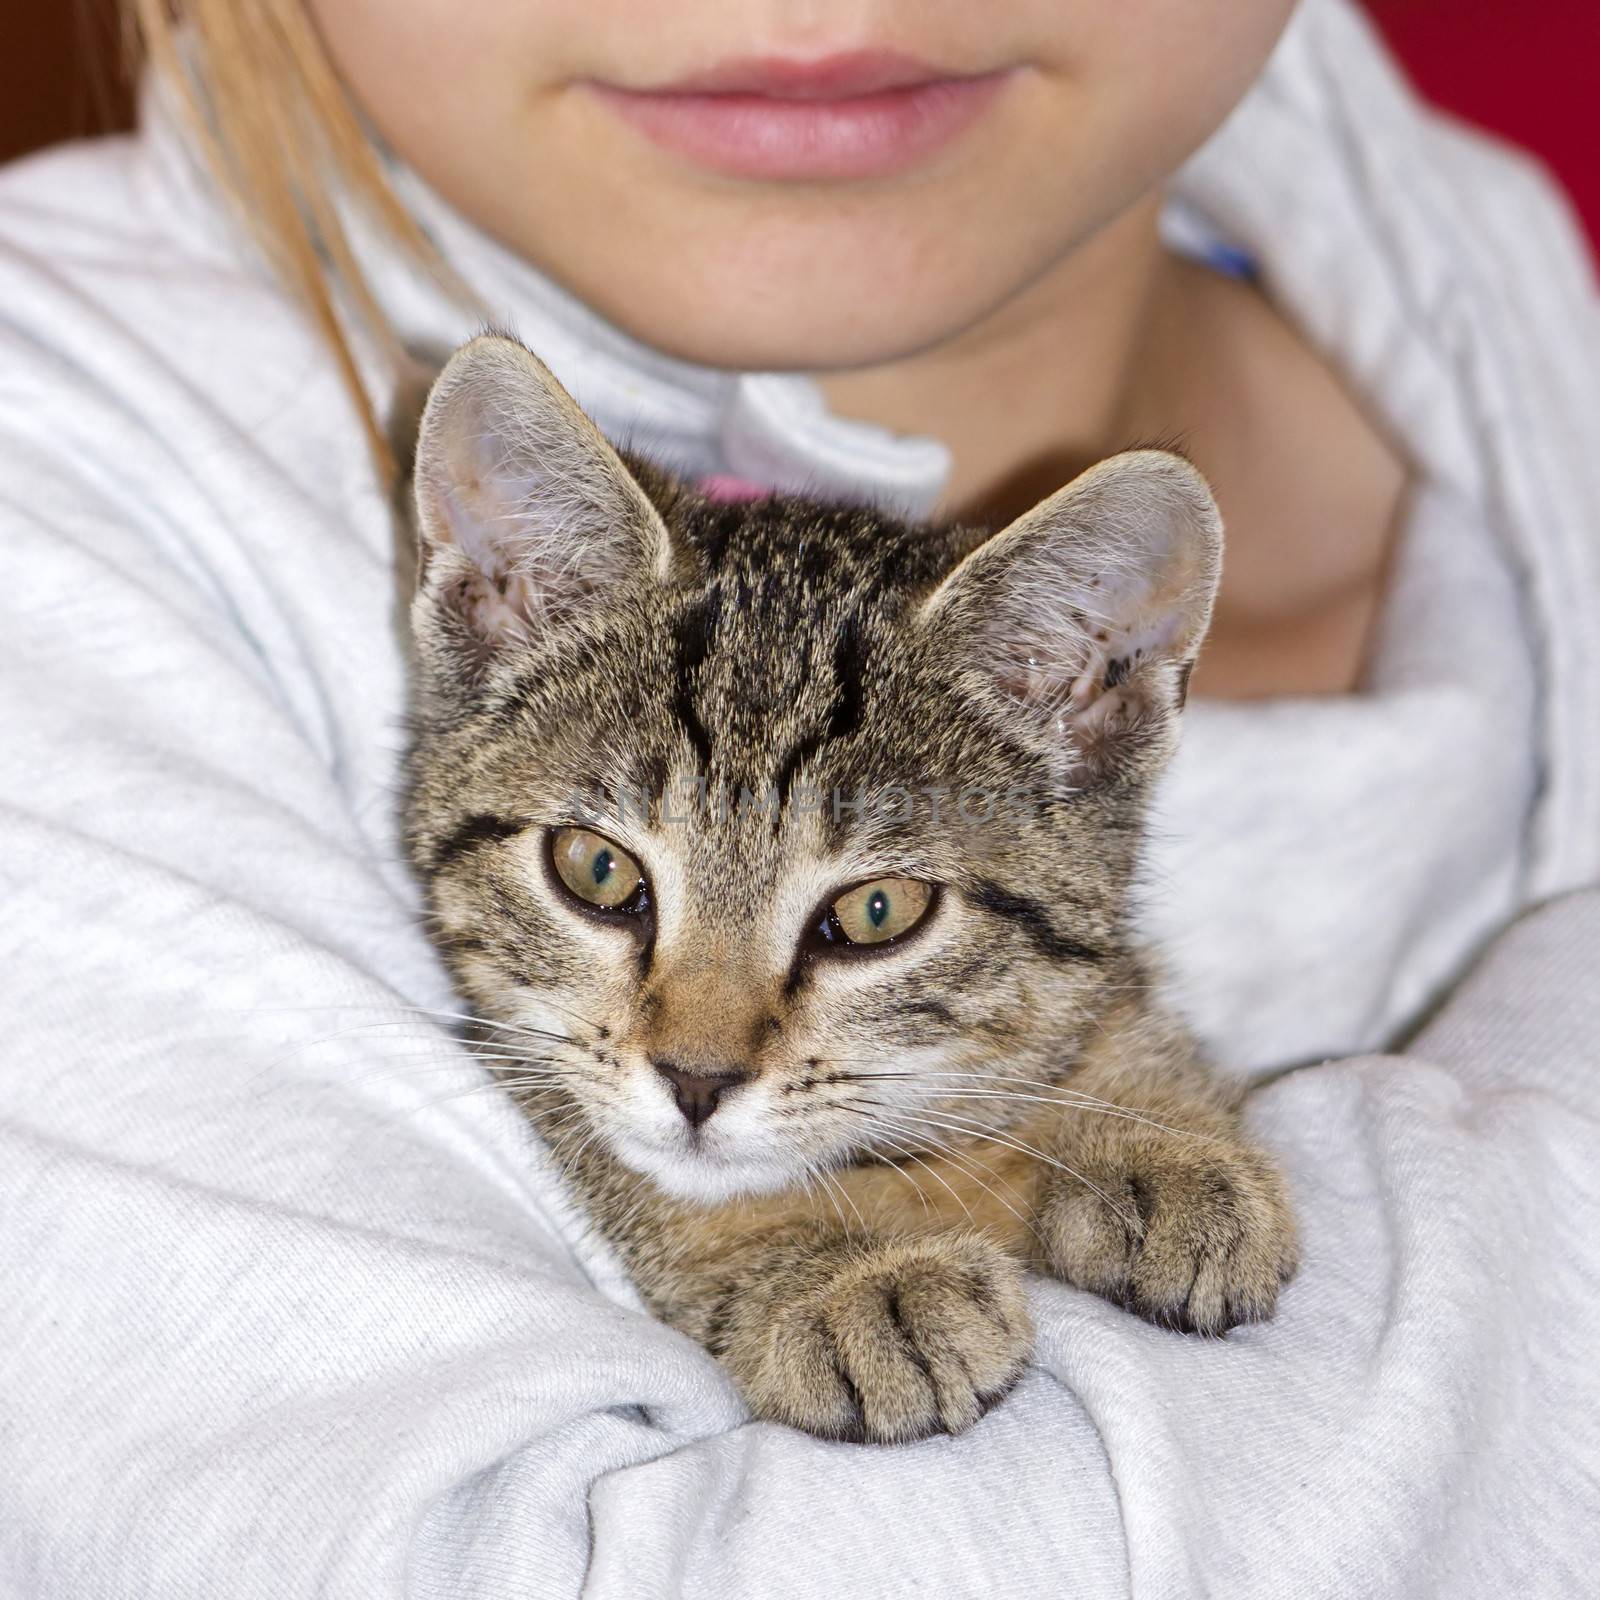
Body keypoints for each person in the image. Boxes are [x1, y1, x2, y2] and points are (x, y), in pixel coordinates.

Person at [1, 0, 1596, 1593]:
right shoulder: (66, 483)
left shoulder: (1508, 298)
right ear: (488, 604)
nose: (697, 1050)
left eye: (869, 913)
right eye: (605, 881)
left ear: (1096, 713)